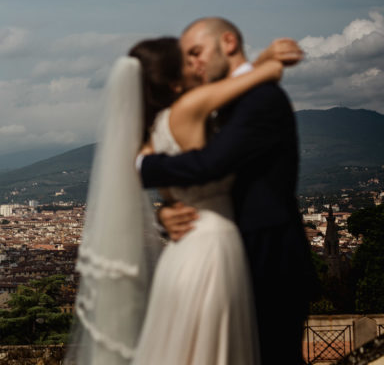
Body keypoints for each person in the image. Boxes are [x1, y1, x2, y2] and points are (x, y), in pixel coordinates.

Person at [69, 31, 292, 365]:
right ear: (175, 82)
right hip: (211, 247)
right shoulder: (189, 108)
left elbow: (152, 178)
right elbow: (263, 76)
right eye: (190, 60)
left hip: (180, 255)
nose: (198, 64)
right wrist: (266, 60)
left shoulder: (147, 137)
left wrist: (163, 214)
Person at [141, 17, 318, 364]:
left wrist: (142, 167)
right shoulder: (223, 103)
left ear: (228, 43)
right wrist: (167, 211)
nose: (192, 64)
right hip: (232, 256)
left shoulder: (260, 100)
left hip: (268, 261)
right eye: (186, 58)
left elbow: (209, 165)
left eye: (196, 52)